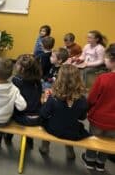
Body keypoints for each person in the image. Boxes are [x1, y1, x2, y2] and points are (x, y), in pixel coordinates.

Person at [39, 64, 90, 160]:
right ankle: (69, 149)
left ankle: (44, 146)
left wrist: (45, 101)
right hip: (72, 132)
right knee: (69, 124)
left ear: (60, 79)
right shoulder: (82, 99)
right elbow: (82, 117)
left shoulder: (54, 98)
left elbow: (44, 114)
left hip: (54, 129)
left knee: (45, 122)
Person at [81, 44, 115, 172]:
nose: (104, 60)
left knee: (94, 140)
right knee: (108, 142)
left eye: (105, 58)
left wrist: (86, 109)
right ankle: (101, 163)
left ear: (112, 59)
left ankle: (90, 160)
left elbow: (91, 98)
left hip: (98, 119)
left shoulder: (103, 78)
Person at [5, 54, 42, 148]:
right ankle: (29, 141)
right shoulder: (38, 81)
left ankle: (8, 136)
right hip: (37, 118)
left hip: (22, 118)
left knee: (10, 110)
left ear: (22, 69)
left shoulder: (16, 80)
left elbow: (12, 98)